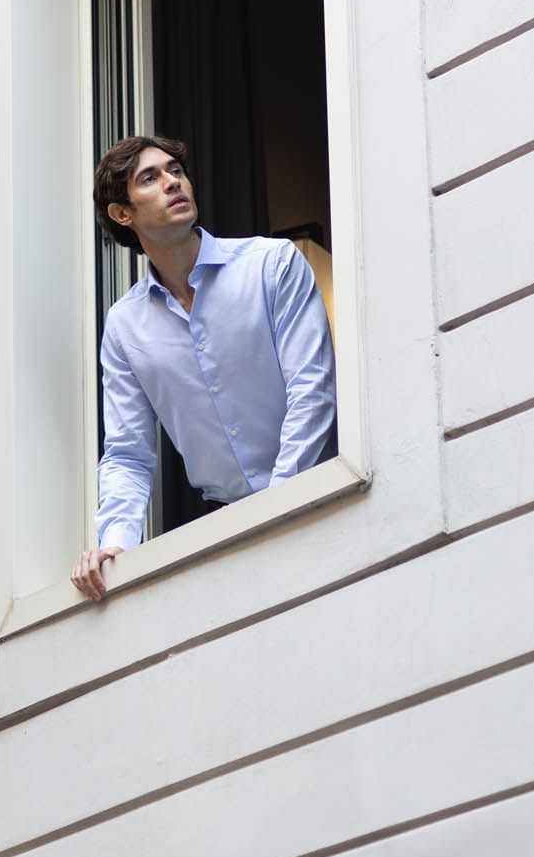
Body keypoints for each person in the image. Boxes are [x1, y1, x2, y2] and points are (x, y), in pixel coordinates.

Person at [71, 134, 337, 601]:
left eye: (176, 171)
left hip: (320, 501)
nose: (173, 182)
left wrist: (279, 505)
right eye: (150, 178)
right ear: (123, 214)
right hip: (226, 534)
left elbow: (311, 388)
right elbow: (128, 453)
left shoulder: (270, 264)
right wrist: (115, 545)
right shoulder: (124, 326)